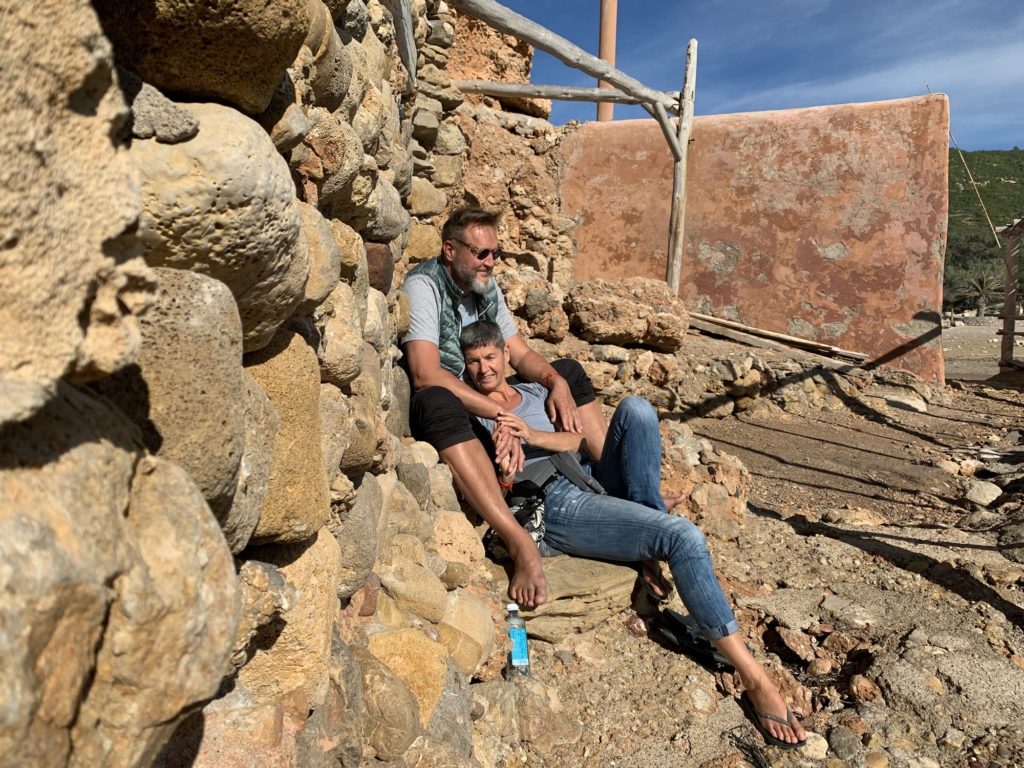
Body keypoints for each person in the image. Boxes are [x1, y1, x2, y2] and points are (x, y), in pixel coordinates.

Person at [460, 320, 807, 750]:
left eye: (490, 357)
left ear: (506, 356)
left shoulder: (531, 393)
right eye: (473, 362)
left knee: (639, 409)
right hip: (556, 500)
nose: (483, 369)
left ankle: (644, 534)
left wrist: (531, 434)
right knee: (684, 538)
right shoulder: (474, 411)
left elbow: (578, 438)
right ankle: (754, 677)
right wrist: (506, 460)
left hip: (586, 477)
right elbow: (482, 475)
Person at [401, 206, 608, 610]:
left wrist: (555, 382)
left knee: (569, 370)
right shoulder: (424, 286)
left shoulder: (485, 287)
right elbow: (425, 373)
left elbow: (518, 352)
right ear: (450, 250)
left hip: (488, 392)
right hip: (459, 403)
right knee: (434, 400)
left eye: (495, 253)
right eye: (481, 253)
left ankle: (615, 480)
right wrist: (500, 416)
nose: (491, 262)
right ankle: (519, 543)